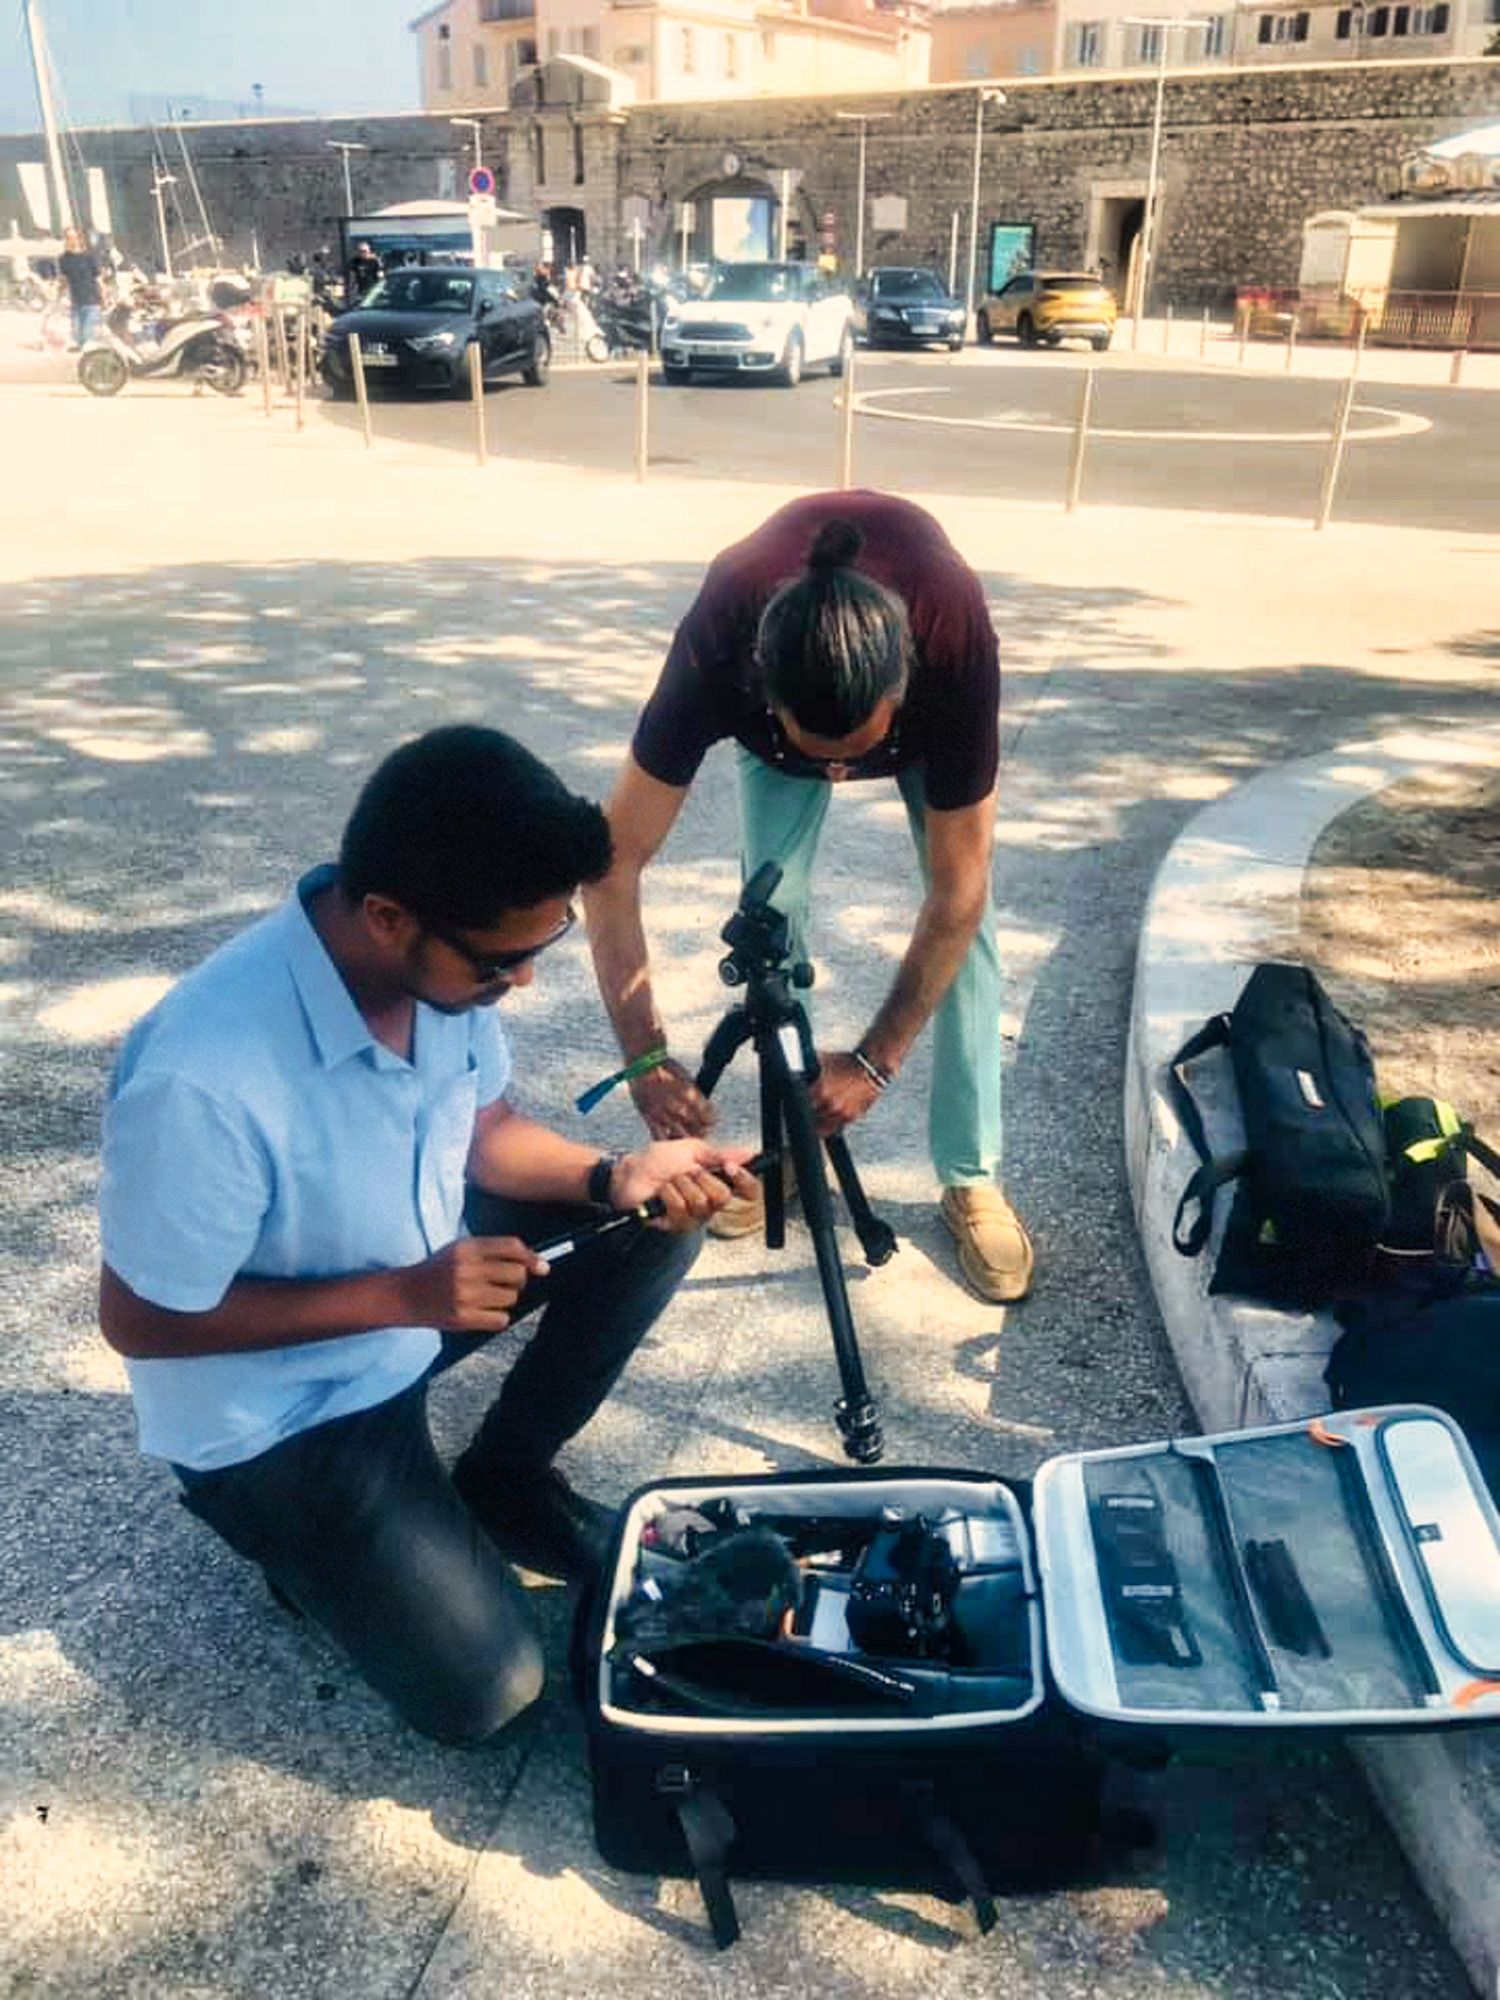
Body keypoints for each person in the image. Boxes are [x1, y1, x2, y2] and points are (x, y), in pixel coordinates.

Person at [97, 726, 755, 1744]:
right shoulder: (205, 1075)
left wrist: (612, 1174)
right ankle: (303, 1552)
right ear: (388, 917)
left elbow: (484, 1133)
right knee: (495, 1692)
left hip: (409, 1299)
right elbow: (139, 1319)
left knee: (645, 1222)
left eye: (539, 948)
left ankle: (504, 1481)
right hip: (283, 1420)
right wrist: (403, 1295)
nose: (523, 982)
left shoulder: (436, 973)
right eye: (504, 960)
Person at [583, 491, 1034, 1306]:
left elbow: (957, 894)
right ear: (762, 691)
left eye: (855, 754)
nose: (837, 773)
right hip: (786, 704)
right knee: (773, 914)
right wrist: (644, 1057)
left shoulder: (952, 636)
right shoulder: (721, 637)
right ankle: (797, 1139)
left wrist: (873, 1064)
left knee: (967, 929)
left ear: (902, 690)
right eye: (815, 754)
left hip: (917, 708)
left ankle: (972, 1176)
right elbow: (611, 864)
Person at [57, 226, 103, 349]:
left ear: (79, 239)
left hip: (92, 301)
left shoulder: (89, 257)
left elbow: (99, 279)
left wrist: (104, 296)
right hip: (76, 302)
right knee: (77, 338)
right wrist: (58, 297)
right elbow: (64, 281)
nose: (71, 240)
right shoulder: (63, 259)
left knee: (87, 338)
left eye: (74, 237)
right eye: (68, 238)